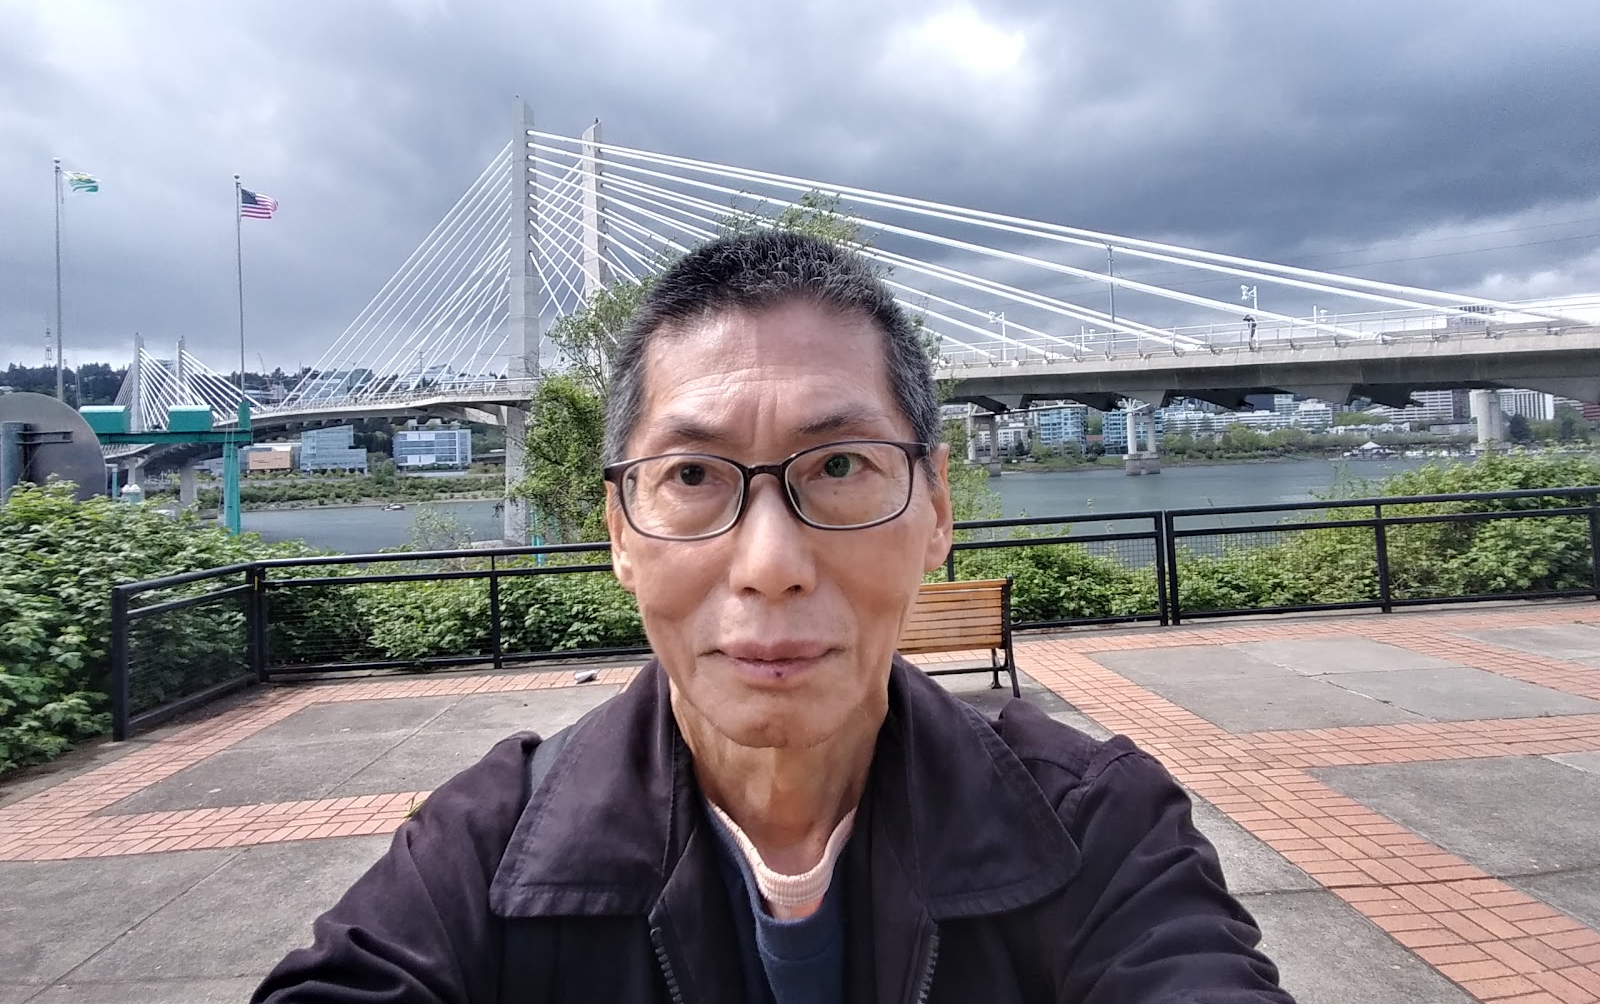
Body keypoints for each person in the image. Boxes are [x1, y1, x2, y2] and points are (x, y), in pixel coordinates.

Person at [254, 231, 1293, 1003]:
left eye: (838, 467)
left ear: (936, 507)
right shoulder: (483, 856)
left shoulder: (1097, 830)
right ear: (620, 532)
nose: (770, 566)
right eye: (692, 474)